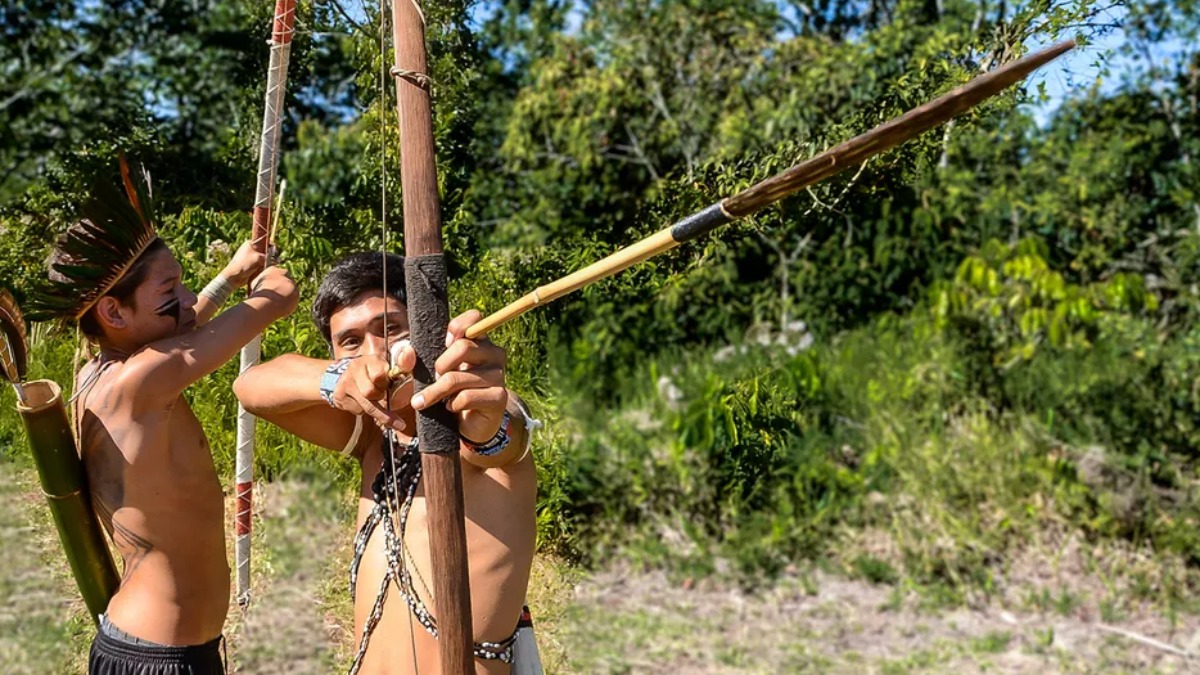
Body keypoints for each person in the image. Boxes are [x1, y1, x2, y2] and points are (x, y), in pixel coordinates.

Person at [31, 162, 299, 675]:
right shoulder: (144, 379)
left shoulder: (107, 370)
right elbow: (277, 301)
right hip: (159, 657)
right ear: (113, 313)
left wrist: (230, 275)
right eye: (168, 288)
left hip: (160, 647)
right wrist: (270, 281)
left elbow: (188, 318)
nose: (183, 298)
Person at [233, 252, 538, 674]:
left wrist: (489, 428)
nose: (377, 353)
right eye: (351, 341)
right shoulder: (374, 438)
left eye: (391, 329)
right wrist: (335, 379)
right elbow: (250, 385)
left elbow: (505, 440)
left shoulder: (470, 417)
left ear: (428, 329)